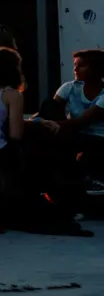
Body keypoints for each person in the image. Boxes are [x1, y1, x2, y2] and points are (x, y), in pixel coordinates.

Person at [0, 47, 84, 215]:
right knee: (42, 149)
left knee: (39, 137)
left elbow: (6, 122)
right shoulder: (12, 94)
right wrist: (39, 128)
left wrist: (40, 122)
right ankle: (61, 199)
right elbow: (15, 135)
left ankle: (56, 195)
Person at [36, 49, 104, 191]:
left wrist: (50, 125)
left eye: (81, 65)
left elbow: (82, 121)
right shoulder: (70, 87)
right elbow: (49, 110)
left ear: (96, 69)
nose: (75, 69)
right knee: (49, 105)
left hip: (97, 139)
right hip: (75, 135)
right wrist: (38, 121)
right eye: (75, 65)